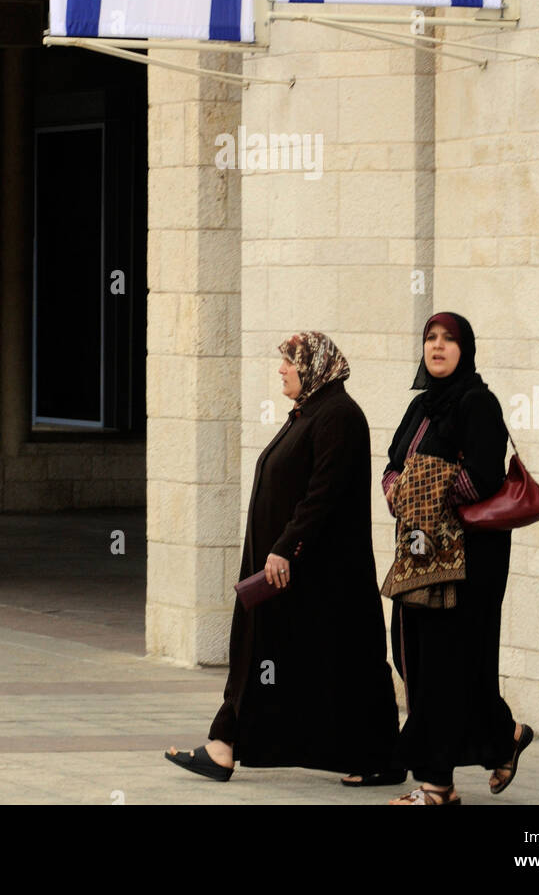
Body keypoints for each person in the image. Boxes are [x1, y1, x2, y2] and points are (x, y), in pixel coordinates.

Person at [165, 331, 402, 784]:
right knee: (263, 648)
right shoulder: (310, 412)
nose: (281, 369)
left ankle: (382, 757)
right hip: (291, 567)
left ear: (313, 366)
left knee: (346, 657)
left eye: (289, 362)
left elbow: (323, 493)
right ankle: (224, 743)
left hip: (317, 572)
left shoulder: (339, 416)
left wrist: (285, 546)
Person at [382, 312, 533, 806]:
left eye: (449, 339)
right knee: (417, 661)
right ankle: (502, 734)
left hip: (470, 562)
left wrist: (422, 492)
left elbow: (484, 477)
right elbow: (392, 467)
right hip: (420, 554)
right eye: (431, 338)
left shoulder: (477, 403)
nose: (438, 346)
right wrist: (401, 490)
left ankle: (436, 787)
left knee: (447, 665)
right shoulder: (421, 406)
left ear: (465, 348)